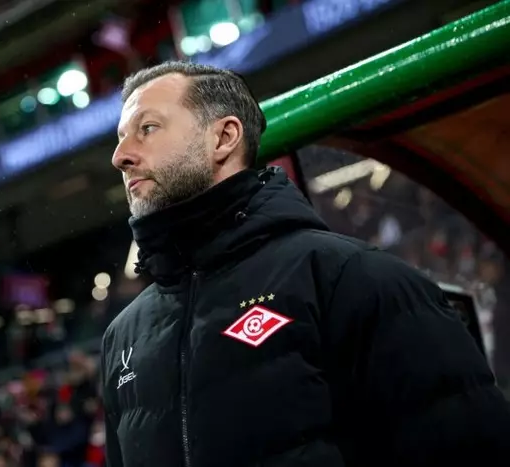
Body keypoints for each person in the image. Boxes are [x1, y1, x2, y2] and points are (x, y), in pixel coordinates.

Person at [100, 61, 510, 467]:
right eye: (121, 138)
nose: (121, 156)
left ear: (224, 137)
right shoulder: (123, 337)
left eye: (147, 128)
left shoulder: (354, 278)